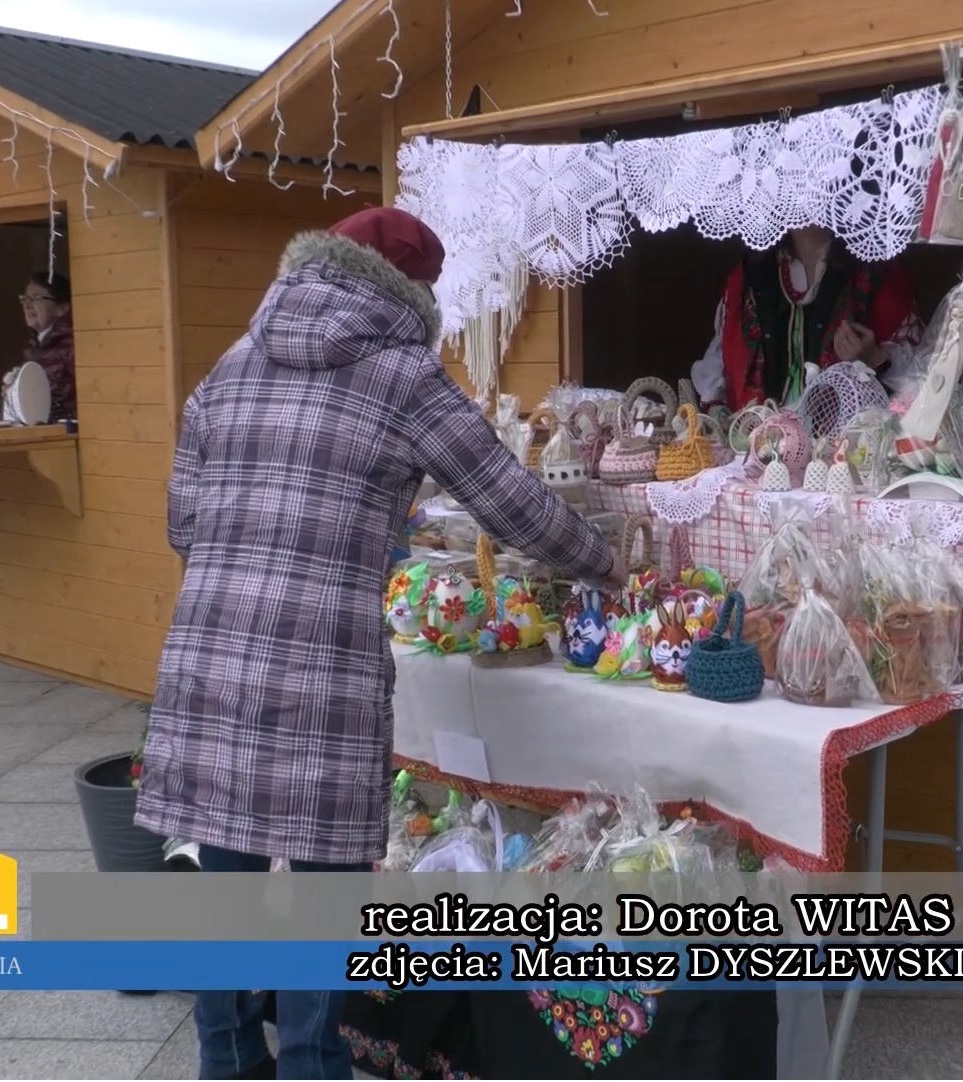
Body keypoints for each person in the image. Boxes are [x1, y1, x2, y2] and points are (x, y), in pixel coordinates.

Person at [135, 206, 622, 1081]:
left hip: (208, 650)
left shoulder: (231, 364)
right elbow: (508, 499)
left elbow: (182, 524)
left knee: (225, 860)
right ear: (411, 293)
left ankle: (228, 1060)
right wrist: (606, 561)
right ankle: (312, 1064)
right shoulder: (404, 376)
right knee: (326, 880)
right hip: (320, 661)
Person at [689, 225, 925, 410]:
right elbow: (720, 365)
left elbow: (918, 384)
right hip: (762, 442)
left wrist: (874, 360)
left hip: (845, 447)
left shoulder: (877, 271)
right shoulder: (751, 273)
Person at [19, 271, 76, 421]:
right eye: (25, 298)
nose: (27, 305)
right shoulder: (33, 345)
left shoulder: (72, 345)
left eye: (36, 298)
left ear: (62, 308)